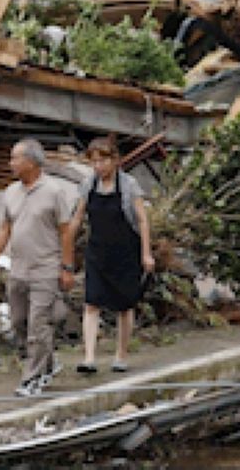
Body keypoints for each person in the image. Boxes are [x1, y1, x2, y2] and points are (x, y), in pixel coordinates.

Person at [0, 138, 76, 397]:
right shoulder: (11, 191)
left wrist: (67, 268)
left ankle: (33, 379)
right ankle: (48, 363)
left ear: (32, 162)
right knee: (18, 321)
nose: (11, 163)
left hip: (46, 267)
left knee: (38, 324)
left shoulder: (53, 191)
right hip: (19, 268)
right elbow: (5, 228)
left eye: (15, 158)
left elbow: (66, 232)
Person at [69, 135, 155, 373]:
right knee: (91, 303)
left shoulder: (128, 185)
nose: (98, 167)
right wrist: (65, 245)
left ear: (115, 160)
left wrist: (146, 254)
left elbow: (142, 220)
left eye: (102, 161)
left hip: (126, 251)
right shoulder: (88, 185)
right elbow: (77, 218)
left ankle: (121, 355)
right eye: (94, 162)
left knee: (124, 305)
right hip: (97, 251)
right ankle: (89, 358)